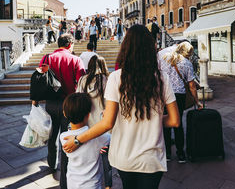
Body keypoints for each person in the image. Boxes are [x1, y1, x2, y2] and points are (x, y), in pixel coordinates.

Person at [62, 25, 180, 189]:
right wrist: (154, 119)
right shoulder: (162, 78)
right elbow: (174, 121)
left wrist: (77, 139)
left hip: (125, 158)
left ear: (126, 48)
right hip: (152, 159)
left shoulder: (116, 78)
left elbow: (108, 123)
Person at [34, 33, 85, 189]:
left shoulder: (46, 58)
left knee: (52, 133)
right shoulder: (76, 59)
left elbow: (38, 78)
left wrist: (35, 99)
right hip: (68, 104)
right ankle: (65, 171)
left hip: (50, 103)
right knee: (66, 137)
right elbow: (81, 83)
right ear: (70, 44)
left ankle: (51, 163)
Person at [160, 41, 202, 163]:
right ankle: (180, 154)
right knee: (178, 124)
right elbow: (192, 86)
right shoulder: (187, 63)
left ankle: (167, 154)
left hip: (164, 94)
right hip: (178, 96)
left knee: (165, 124)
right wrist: (197, 102)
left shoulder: (163, 57)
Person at [60, 93, 110, 189]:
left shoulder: (63, 137)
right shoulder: (99, 138)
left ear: (64, 114)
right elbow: (111, 137)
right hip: (92, 184)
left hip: (72, 183)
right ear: (88, 115)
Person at [76, 55, 112, 189]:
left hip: (86, 126)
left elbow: (78, 99)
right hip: (104, 125)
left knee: (89, 158)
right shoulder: (107, 80)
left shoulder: (82, 80)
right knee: (106, 158)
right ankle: (108, 185)